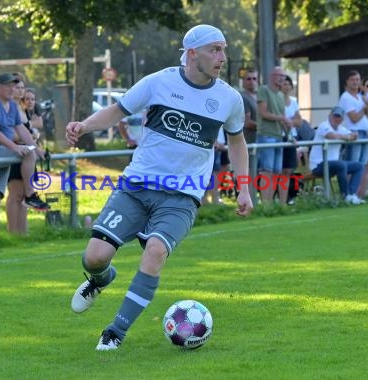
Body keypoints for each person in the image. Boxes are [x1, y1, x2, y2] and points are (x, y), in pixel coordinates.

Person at [65, 24, 253, 351]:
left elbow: (237, 142)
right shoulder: (158, 82)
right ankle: (100, 279)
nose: (223, 57)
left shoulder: (229, 98)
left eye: (224, 49)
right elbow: (117, 111)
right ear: (192, 53)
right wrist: (84, 125)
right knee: (95, 257)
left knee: (155, 251)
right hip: (136, 186)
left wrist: (244, 187)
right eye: (215, 49)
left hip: (182, 196)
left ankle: (115, 333)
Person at [0, 73, 49, 231]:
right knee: (28, 153)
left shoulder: (12, 106)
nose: (11, 89)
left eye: (13, 85)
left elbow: (21, 129)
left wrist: (38, 150)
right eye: (7, 85)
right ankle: (30, 195)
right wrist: (16, 148)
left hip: (2, 152)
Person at [309, 106, 365, 205]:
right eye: (335, 116)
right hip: (318, 164)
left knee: (359, 166)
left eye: (339, 117)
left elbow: (354, 135)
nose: (336, 119)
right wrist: (346, 137)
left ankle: (351, 194)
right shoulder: (323, 125)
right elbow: (331, 135)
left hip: (334, 164)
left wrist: (351, 135)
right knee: (341, 165)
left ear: (342, 119)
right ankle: (345, 195)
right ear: (330, 115)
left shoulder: (341, 128)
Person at [6, 75, 40, 235]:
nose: (20, 90)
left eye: (22, 87)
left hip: (27, 154)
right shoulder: (8, 107)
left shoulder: (21, 109)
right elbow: (9, 134)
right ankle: (13, 233)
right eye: (17, 87)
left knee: (23, 196)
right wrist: (29, 136)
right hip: (16, 153)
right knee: (15, 194)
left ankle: (23, 233)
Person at [257, 66, 291, 204]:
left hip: (278, 136)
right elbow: (263, 113)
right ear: (272, 76)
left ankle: (270, 204)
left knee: (277, 172)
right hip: (266, 135)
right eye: (279, 75)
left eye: (283, 76)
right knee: (267, 170)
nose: (282, 78)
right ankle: (265, 204)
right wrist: (282, 119)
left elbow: (283, 117)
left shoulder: (281, 95)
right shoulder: (263, 90)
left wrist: (290, 134)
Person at [338, 70, 368, 165]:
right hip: (353, 132)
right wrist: (364, 107)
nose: (355, 82)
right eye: (352, 80)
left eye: (357, 79)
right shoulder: (345, 97)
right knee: (353, 163)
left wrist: (367, 105)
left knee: (363, 164)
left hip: (365, 132)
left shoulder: (361, 97)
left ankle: (359, 180)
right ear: (347, 82)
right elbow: (354, 118)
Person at [280, 75, 302, 204]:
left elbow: (299, 121)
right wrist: (289, 121)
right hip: (280, 137)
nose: (286, 86)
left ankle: (285, 199)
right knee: (280, 169)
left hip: (292, 138)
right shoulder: (277, 100)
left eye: (288, 84)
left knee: (288, 169)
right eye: (284, 83)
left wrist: (290, 121)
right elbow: (281, 120)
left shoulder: (294, 101)